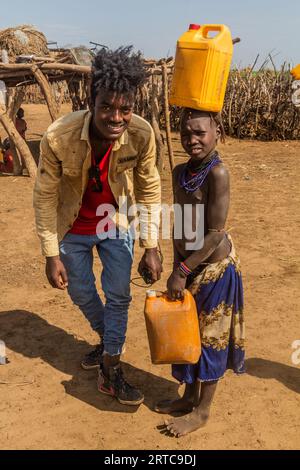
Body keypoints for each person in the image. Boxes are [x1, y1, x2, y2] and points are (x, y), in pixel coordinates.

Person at [33, 46, 162, 406]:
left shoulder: (142, 134)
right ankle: (108, 339)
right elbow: (44, 196)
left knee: (119, 296)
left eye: (125, 108)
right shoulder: (59, 136)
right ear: (92, 102)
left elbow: (150, 188)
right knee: (81, 293)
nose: (116, 117)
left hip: (116, 223)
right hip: (71, 226)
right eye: (107, 106)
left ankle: (111, 368)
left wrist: (151, 245)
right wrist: (49, 253)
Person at [156, 108, 245, 436]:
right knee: (188, 335)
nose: (191, 140)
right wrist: (177, 266)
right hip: (189, 268)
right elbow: (182, 223)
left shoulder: (218, 174)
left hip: (214, 272)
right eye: (185, 133)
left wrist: (182, 270)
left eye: (199, 133)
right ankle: (189, 396)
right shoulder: (180, 171)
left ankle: (203, 411)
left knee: (211, 341)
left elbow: (215, 233)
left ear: (217, 131)